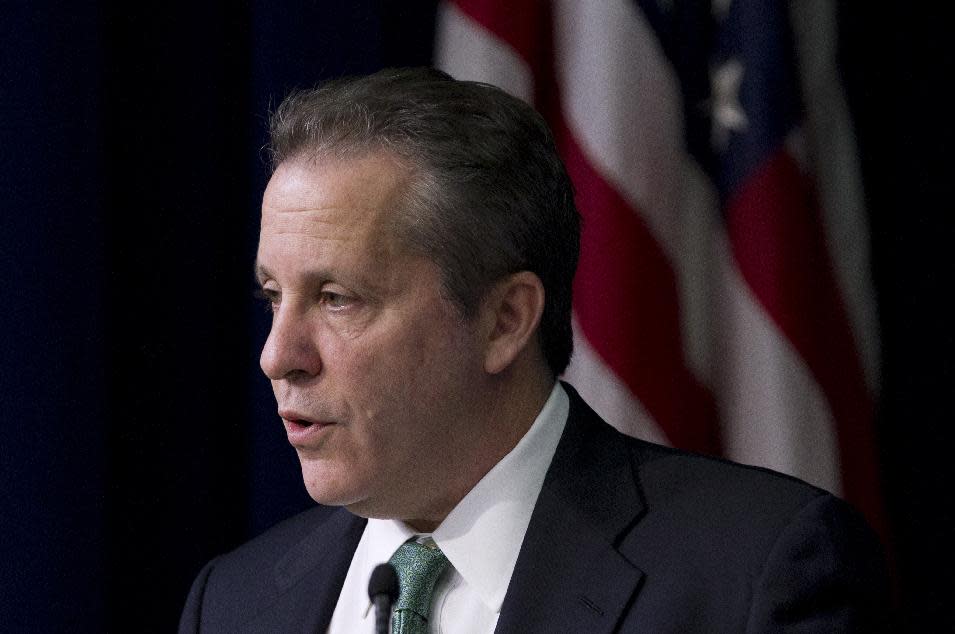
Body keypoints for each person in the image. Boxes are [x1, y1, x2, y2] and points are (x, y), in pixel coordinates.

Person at [179, 67, 889, 633]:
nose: (279, 356)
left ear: (504, 321)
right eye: (273, 297)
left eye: (338, 299)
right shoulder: (235, 604)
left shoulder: (752, 576)